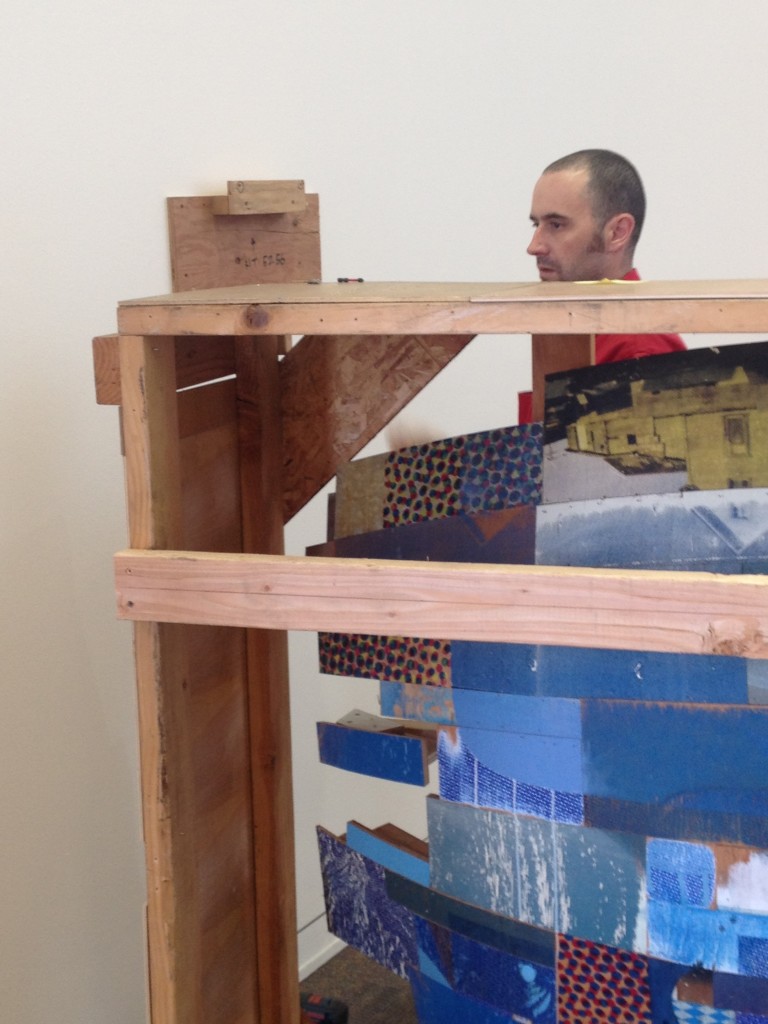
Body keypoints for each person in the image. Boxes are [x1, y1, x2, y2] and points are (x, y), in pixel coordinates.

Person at [520, 148, 685, 422]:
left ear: (617, 232)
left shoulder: (639, 349)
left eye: (556, 225)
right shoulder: (576, 323)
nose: (534, 246)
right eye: (536, 225)